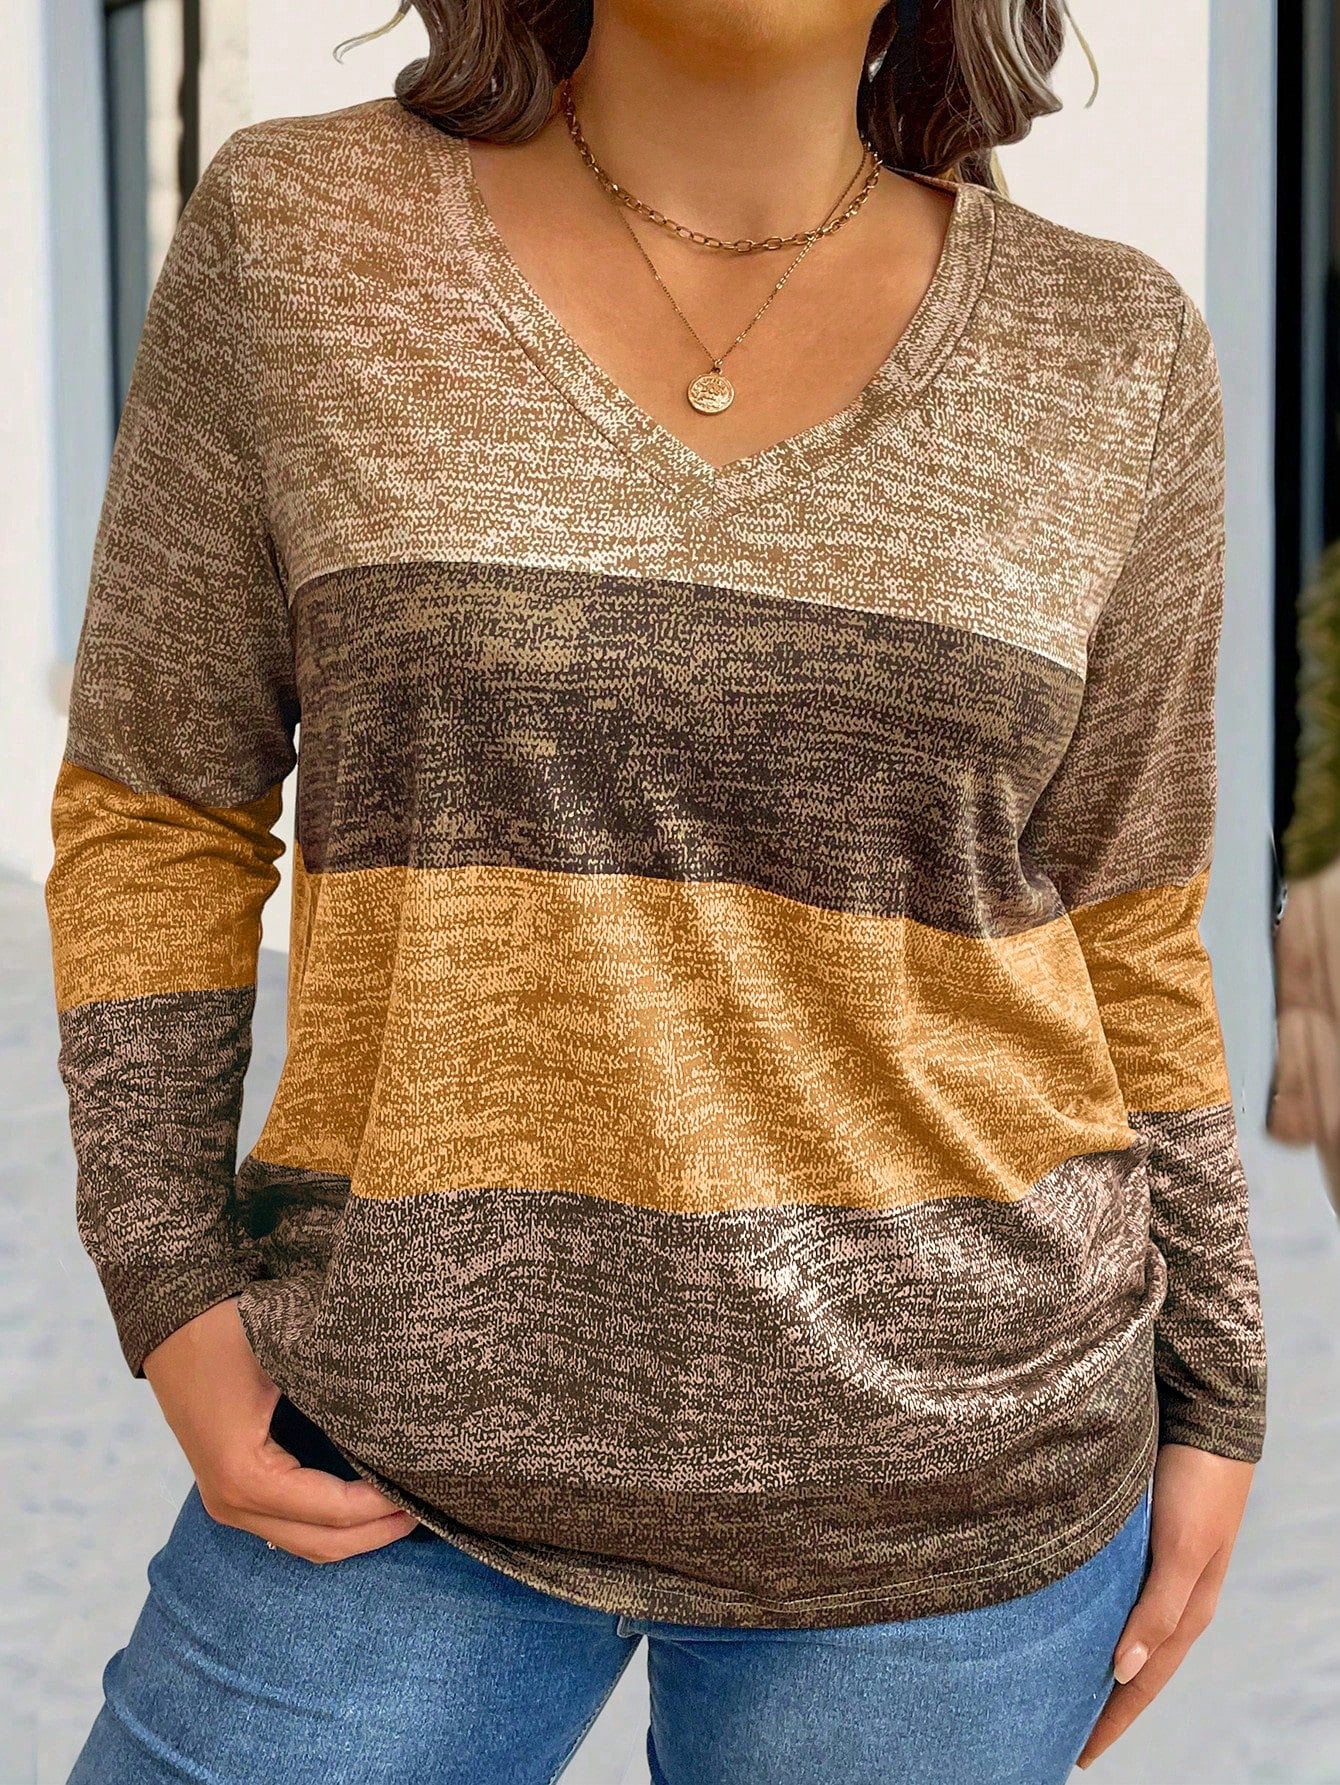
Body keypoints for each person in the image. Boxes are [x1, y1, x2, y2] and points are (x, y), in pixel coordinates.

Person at [45, 1, 1267, 1779]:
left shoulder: (1115, 347)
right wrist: (168, 1283)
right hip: (394, 1447)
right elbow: (162, 800)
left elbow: (1127, 912)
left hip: (958, 1482)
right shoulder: (301, 240)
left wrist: (1219, 1380)